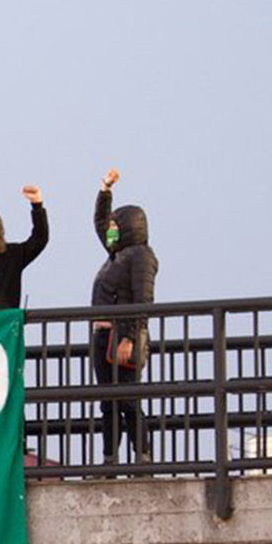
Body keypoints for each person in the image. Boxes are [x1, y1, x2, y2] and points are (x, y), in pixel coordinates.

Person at [88, 168, 158, 464]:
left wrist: (130, 335)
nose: (111, 229)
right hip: (102, 336)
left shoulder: (141, 255)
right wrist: (105, 190)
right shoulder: (116, 254)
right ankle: (109, 459)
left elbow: (143, 298)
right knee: (109, 403)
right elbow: (100, 223)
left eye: (118, 224)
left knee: (129, 399)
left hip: (123, 335)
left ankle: (142, 456)